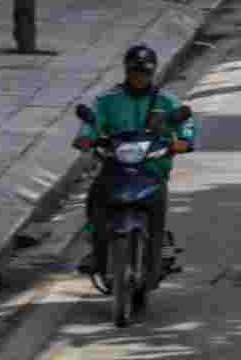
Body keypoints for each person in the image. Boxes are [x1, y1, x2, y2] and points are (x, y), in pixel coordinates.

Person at [74, 43, 196, 279]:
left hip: (152, 167)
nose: (139, 78)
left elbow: (185, 121)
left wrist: (184, 140)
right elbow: (91, 121)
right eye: (135, 72)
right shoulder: (108, 100)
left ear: (152, 73)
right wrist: (86, 138)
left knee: (157, 203)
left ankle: (158, 246)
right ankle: (96, 248)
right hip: (116, 165)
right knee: (95, 198)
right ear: (127, 71)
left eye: (144, 73)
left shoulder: (166, 100)